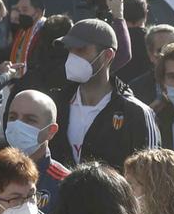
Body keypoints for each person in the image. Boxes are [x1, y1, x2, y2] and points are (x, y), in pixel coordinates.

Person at [50, 17, 155, 170]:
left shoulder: (135, 112)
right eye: (69, 50)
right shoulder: (55, 105)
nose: (73, 57)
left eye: (81, 50)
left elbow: (149, 174)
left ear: (107, 56)